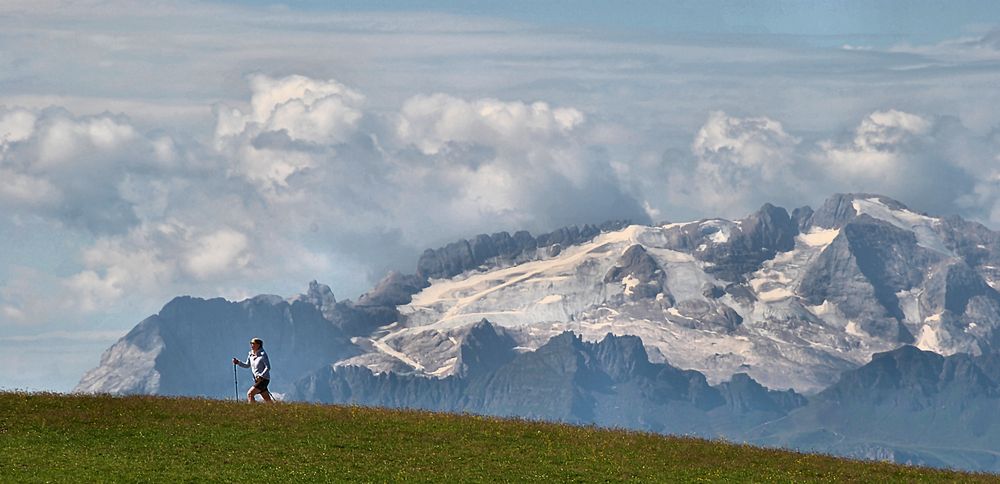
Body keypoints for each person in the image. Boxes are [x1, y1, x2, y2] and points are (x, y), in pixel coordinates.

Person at [233, 337, 273, 403]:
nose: (251, 345)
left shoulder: (263, 354)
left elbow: (268, 367)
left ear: (258, 345)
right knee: (267, 400)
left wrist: (261, 376)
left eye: (253, 344)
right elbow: (247, 365)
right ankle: (274, 410)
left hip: (264, 379)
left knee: (250, 394)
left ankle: (252, 410)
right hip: (257, 380)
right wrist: (238, 362)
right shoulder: (250, 355)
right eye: (251, 343)